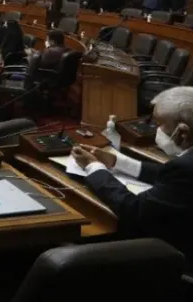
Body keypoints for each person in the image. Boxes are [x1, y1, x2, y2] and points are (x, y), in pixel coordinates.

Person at [71, 87, 193, 263]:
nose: (156, 130)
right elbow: (171, 175)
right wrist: (117, 162)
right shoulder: (184, 167)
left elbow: (135, 210)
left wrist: (93, 167)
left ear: (183, 132)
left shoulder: (185, 167)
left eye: (160, 125)